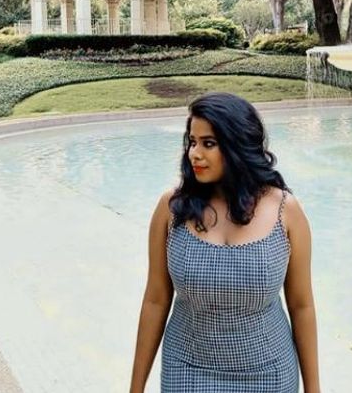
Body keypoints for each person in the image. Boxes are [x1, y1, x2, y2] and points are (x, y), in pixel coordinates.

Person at [129, 92, 320, 393]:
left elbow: (301, 305)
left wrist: (313, 389)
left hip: (269, 373)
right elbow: (155, 300)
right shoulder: (172, 208)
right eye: (192, 142)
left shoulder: (285, 210)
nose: (194, 154)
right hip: (187, 369)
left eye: (208, 143)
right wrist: (135, 388)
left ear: (237, 146)